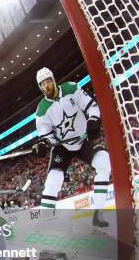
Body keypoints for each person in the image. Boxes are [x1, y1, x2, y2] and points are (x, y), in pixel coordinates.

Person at [31, 67, 111, 226]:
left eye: (48, 82)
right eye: (42, 84)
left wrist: (93, 120)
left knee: (105, 163)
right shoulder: (41, 111)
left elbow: (92, 107)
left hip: (83, 140)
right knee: (53, 183)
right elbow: (47, 137)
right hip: (63, 147)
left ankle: (98, 216)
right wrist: (43, 144)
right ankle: (47, 228)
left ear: (53, 80)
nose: (46, 86)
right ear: (40, 87)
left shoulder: (72, 88)